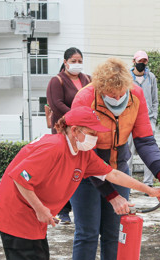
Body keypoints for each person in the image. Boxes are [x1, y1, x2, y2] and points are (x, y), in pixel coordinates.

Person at [0, 107, 160, 260]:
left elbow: (112, 175)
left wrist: (148, 190)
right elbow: (20, 177)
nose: (96, 137)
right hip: (17, 213)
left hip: (34, 215)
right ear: (74, 130)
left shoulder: (82, 154)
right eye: (91, 132)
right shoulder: (53, 147)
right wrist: (40, 209)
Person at [70, 58, 160, 260]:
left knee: (114, 233)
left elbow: (144, 140)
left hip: (118, 164)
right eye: (111, 95)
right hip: (85, 166)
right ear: (100, 89)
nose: (117, 98)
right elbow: (85, 157)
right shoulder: (84, 98)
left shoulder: (136, 96)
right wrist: (110, 195)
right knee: (87, 233)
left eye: (121, 93)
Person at [46, 47, 91, 223]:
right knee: (64, 170)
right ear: (65, 62)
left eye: (80, 61)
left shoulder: (87, 79)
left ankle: (76, 206)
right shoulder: (57, 81)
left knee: (80, 168)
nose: (77, 64)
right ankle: (62, 210)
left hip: (83, 131)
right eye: (73, 61)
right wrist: (76, 116)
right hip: (64, 130)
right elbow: (56, 104)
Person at [128, 50, 159, 187]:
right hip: (130, 120)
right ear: (134, 61)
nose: (142, 63)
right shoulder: (127, 78)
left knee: (149, 151)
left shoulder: (151, 77)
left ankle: (148, 183)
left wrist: (154, 118)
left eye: (144, 61)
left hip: (148, 119)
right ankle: (128, 183)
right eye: (139, 61)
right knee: (128, 152)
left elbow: (155, 100)